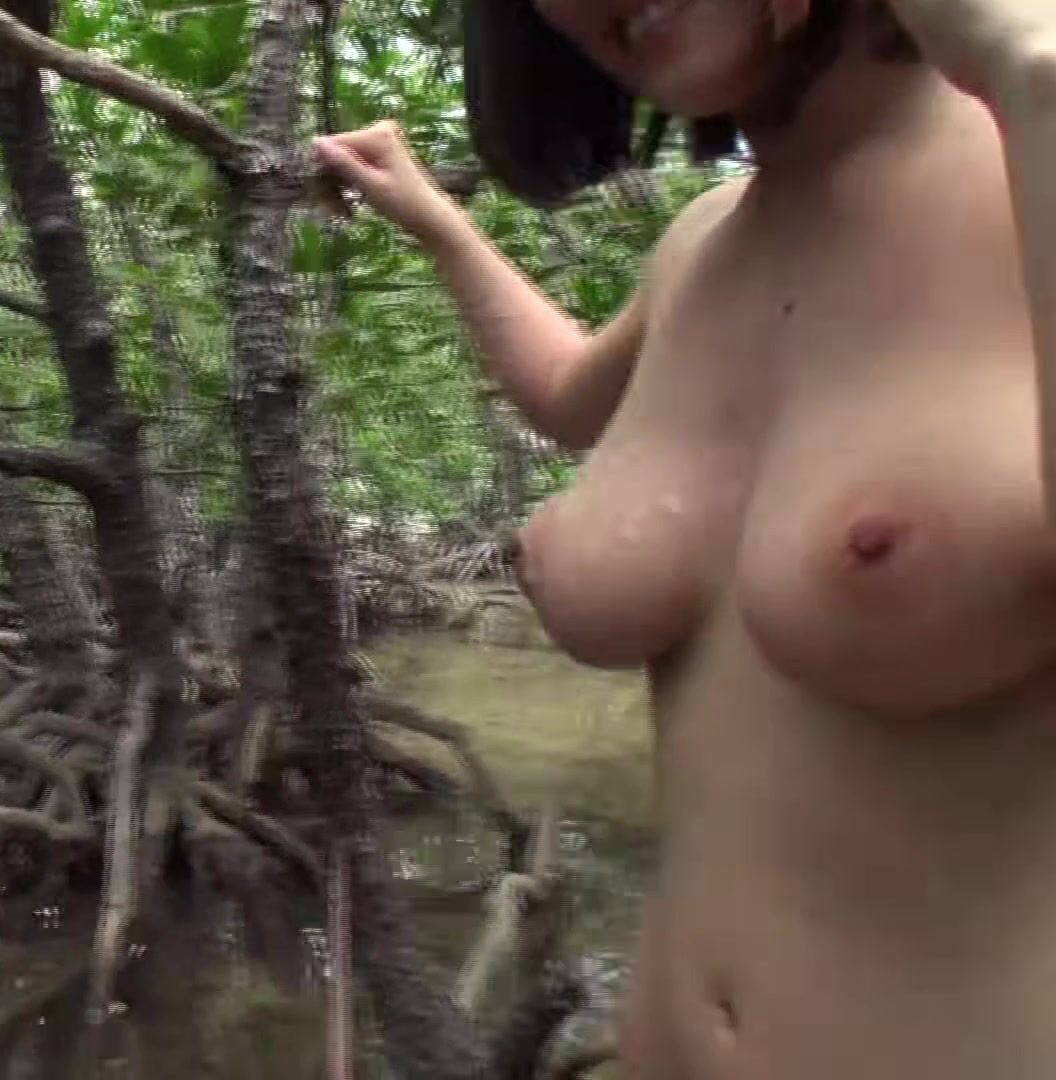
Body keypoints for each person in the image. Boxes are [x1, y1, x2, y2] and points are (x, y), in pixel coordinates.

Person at [316, 0, 1056, 1077]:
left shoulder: (1032, 151)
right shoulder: (703, 243)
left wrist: (1032, 67)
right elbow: (574, 397)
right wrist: (431, 215)